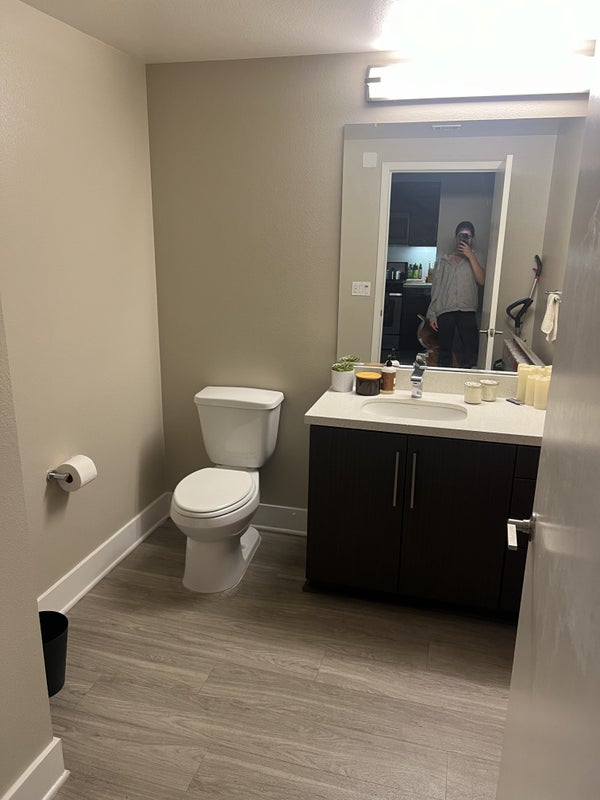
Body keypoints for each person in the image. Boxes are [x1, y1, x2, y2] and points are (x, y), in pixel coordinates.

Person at [426, 221, 485, 368]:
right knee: (444, 352)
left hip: (468, 311)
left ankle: (467, 379)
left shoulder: (477, 257)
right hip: (445, 310)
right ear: (455, 238)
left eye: (467, 236)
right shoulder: (443, 260)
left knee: (470, 353)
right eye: (461, 236)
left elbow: (482, 280)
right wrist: (432, 314)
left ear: (472, 239)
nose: (464, 239)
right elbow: (437, 288)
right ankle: (444, 379)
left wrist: (470, 256)